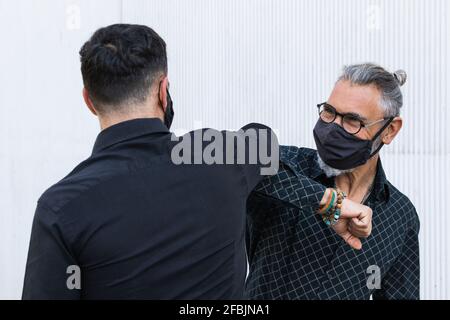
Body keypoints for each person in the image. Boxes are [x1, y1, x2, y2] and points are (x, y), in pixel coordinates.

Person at [22, 24, 371, 300]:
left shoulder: (61, 206)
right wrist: (329, 203)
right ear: (163, 90)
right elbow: (263, 139)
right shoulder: (220, 156)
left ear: (89, 100)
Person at [246, 63, 420, 300]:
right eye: (329, 112)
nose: (332, 129)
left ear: (389, 131)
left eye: (352, 120)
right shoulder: (286, 165)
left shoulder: (400, 216)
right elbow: (232, 154)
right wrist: (327, 202)